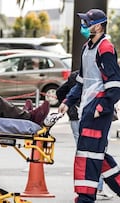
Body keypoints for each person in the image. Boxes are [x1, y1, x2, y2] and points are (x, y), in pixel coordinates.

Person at [58, 9, 120, 203]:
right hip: (87, 109)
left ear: (99, 26)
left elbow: (115, 85)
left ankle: (85, 198)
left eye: (87, 22)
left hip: (97, 112)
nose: (83, 25)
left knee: (89, 154)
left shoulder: (106, 48)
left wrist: (100, 109)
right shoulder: (87, 48)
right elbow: (81, 81)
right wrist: (67, 102)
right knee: (94, 154)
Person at [56, 70, 113, 200]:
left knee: (85, 152)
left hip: (78, 115)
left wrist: (67, 104)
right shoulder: (99, 75)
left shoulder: (76, 76)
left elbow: (61, 91)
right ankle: (96, 187)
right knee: (95, 152)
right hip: (90, 114)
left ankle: (90, 188)